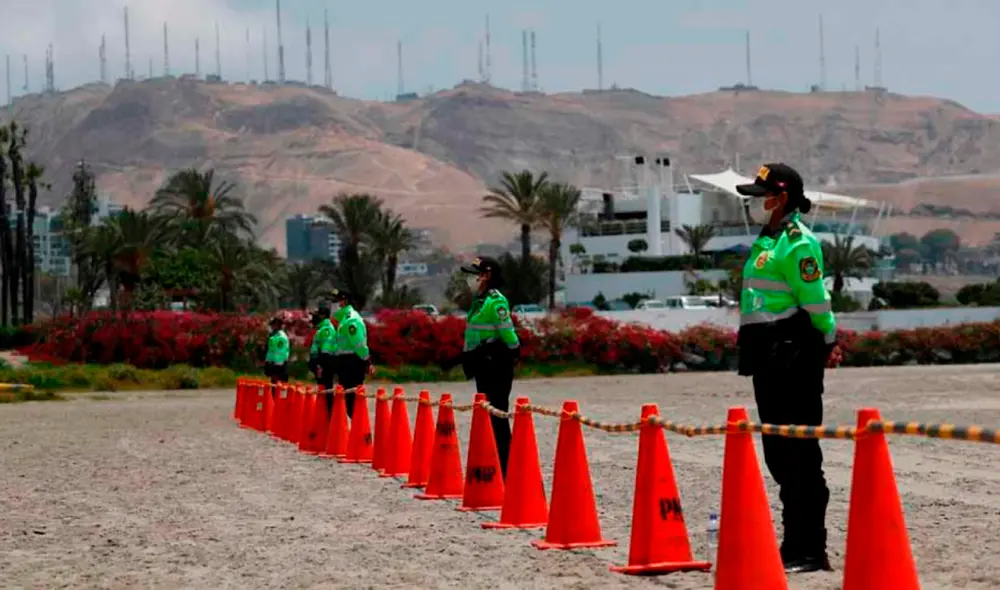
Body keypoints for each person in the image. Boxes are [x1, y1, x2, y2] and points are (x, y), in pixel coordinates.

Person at [735, 163, 837, 574]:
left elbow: (816, 301)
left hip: (793, 356)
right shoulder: (769, 239)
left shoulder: (797, 243)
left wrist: (825, 342)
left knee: (799, 455)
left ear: (781, 197)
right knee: (779, 453)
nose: (757, 202)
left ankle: (810, 549)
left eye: (763, 195)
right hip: (768, 358)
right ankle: (792, 543)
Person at [459, 256, 520, 480]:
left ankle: (508, 470)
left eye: (473, 274)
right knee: (488, 415)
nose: (469, 279)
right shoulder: (479, 301)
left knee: (498, 416)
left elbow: (507, 331)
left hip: (495, 364)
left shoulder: (496, 302)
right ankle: (499, 468)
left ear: (486, 276)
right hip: (481, 364)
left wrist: (514, 350)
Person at [329, 287, 371, 419]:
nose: (334, 306)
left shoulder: (351, 320)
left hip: (353, 362)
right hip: (345, 362)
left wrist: (366, 360)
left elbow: (358, 344)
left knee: (353, 400)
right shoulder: (343, 320)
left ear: (344, 302)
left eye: (336, 302)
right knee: (348, 399)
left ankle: (359, 430)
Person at [308, 303, 336, 417]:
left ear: (323, 316)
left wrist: (320, 366)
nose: (314, 318)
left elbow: (325, 350)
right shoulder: (322, 329)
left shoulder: (326, 330)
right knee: (323, 391)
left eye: (317, 315)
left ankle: (330, 417)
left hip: (324, 365)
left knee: (327, 390)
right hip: (321, 364)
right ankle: (325, 417)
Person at [263, 316, 290, 384]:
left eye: (272, 325)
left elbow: (280, 353)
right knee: (273, 387)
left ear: (277, 325)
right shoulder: (274, 336)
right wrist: (268, 362)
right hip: (274, 364)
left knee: (278, 388)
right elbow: (271, 351)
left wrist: (275, 366)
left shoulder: (281, 337)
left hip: (278, 365)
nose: (271, 327)